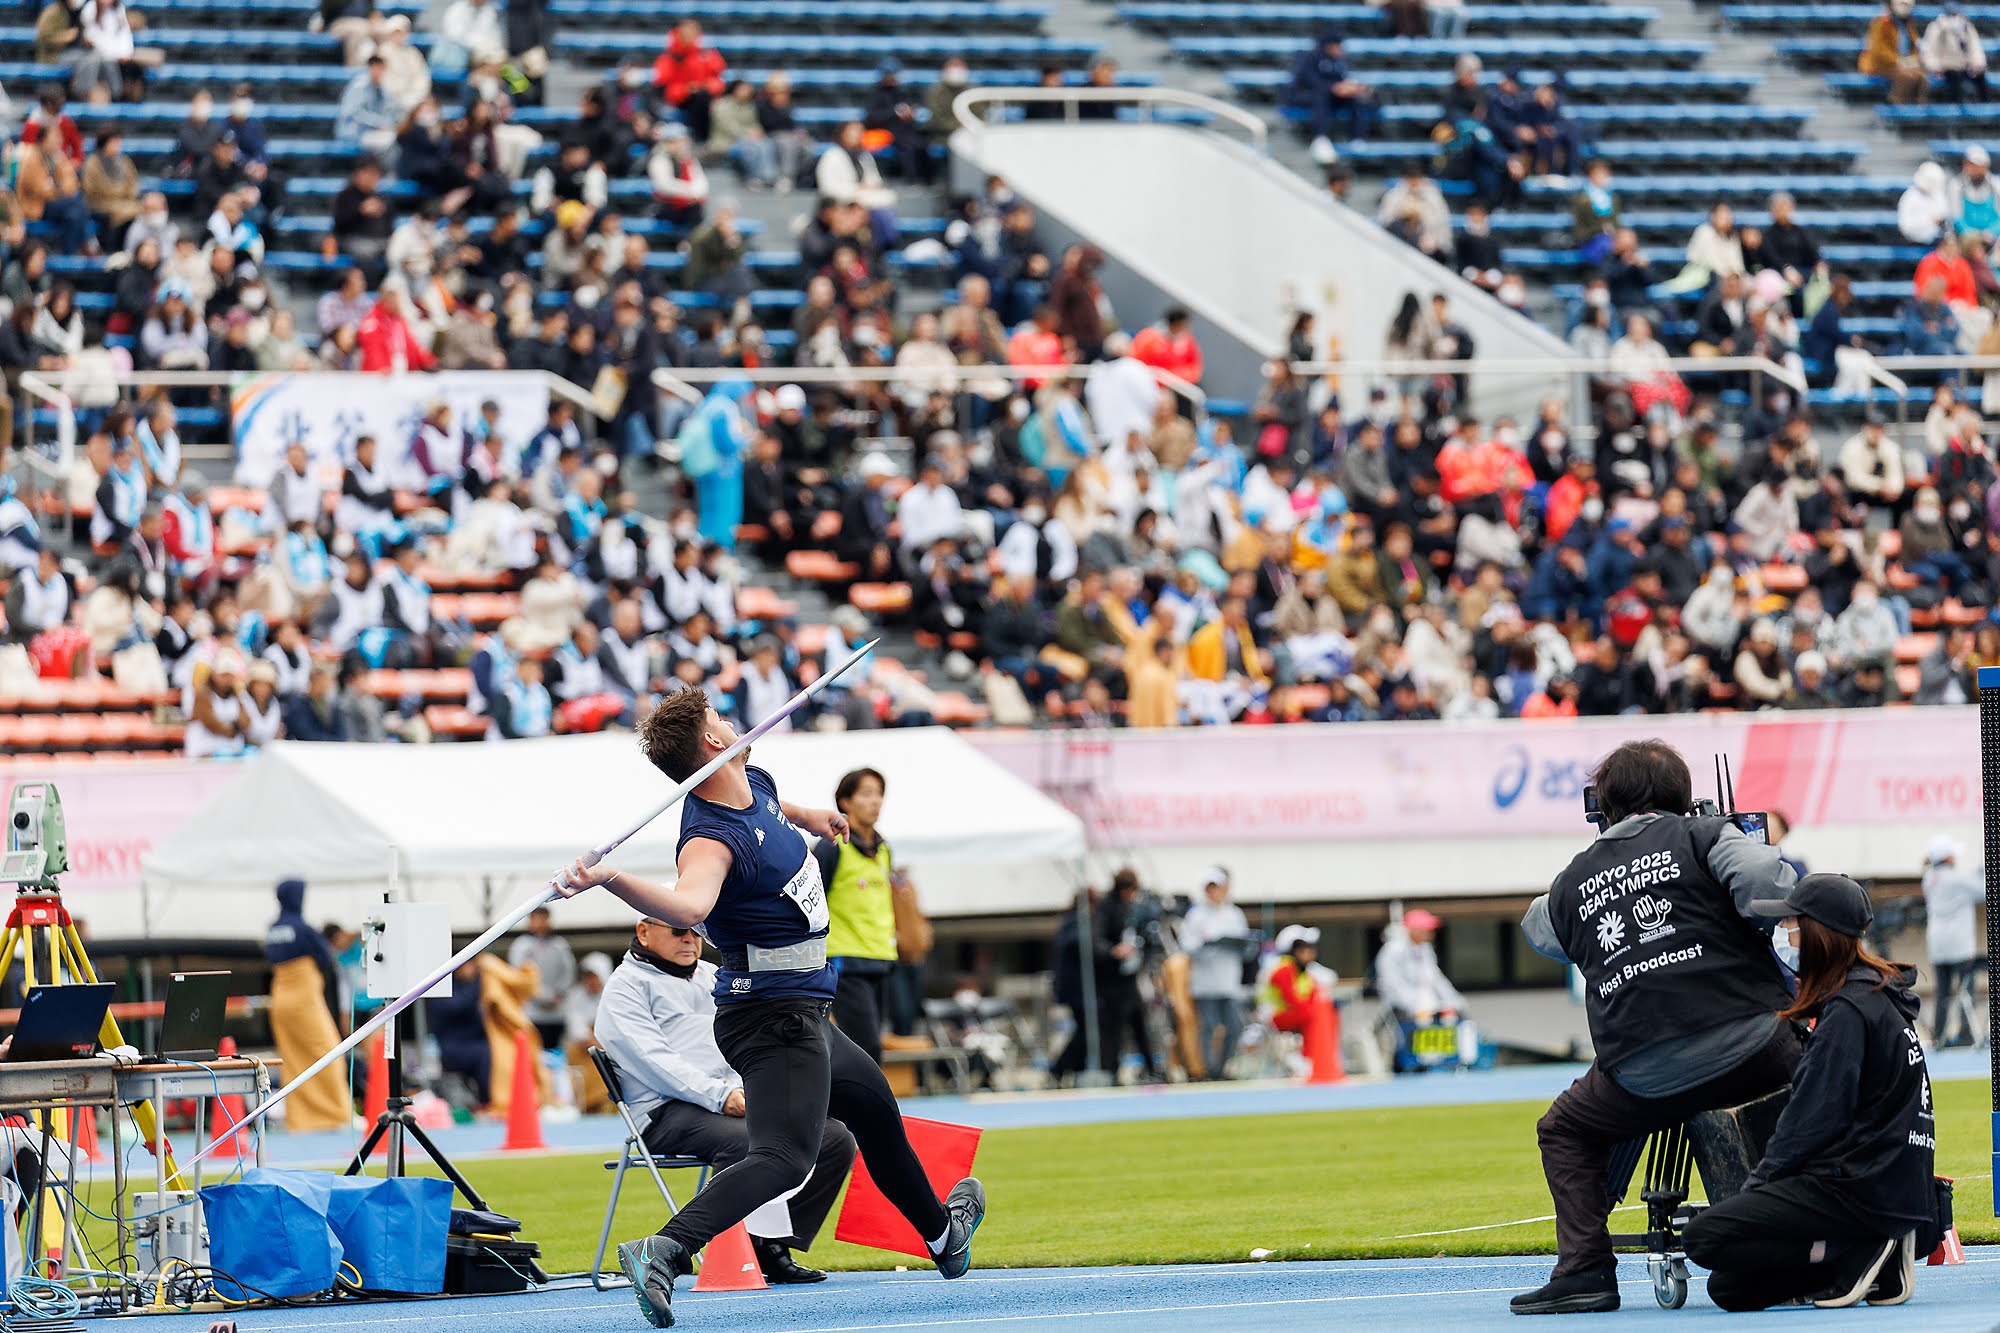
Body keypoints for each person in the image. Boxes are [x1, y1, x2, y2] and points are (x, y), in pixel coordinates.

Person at [554, 689, 985, 1328]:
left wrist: (814, 817)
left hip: (805, 1007)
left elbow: (774, 809)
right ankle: (664, 1249)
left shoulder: (754, 780)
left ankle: (943, 1238)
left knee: (875, 1113)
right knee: (785, 1157)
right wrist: (609, 878)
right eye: (719, 719)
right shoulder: (709, 839)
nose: (732, 723)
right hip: (770, 1016)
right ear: (712, 743)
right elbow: (690, 905)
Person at [1512, 739, 1804, 1314]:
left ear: (1605, 804)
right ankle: (1836, 1234)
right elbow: (1774, 886)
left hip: (1643, 1076)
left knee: (1564, 1128)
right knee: (1831, 1075)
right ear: (1681, 795)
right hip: (1754, 1050)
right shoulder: (1704, 836)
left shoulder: (1575, 877)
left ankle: (1585, 1271)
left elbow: (1539, 929)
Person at [1681, 873, 1935, 1311]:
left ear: (1818, 933)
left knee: (1703, 1237)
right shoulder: (1880, 999)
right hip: (1896, 1190)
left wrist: (1756, 1190)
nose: (1781, 934)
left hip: (1857, 1189)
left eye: (1790, 924)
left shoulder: (1847, 1012)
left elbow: (1809, 1121)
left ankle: (1860, 1245)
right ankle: (1865, 1257)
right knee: (1729, 1289)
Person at [594, 914, 856, 1285]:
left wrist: (755, 1089)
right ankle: (731, 1250)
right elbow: (652, 1061)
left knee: (835, 1138)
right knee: (751, 1142)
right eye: (678, 931)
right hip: (663, 1111)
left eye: (697, 932)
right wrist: (721, 1095)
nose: (690, 940)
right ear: (644, 932)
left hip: (732, 1097)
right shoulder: (625, 988)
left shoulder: (714, 976)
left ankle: (773, 1245)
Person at [811, 766, 898, 1065]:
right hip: (845, 961)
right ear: (845, 802)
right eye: (866, 794)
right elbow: (812, 902)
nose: (875, 801)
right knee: (866, 1048)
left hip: (881, 957)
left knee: (874, 1048)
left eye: (879, 794)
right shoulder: (832, 846)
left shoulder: (884, 849)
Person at [263, 878, 352, 1133]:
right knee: (329, 1053)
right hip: (304, 999)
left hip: (280, 998)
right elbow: (325, 957)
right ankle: (335, 1113)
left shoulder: (272, 929)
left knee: (293, 1060)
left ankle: (301, 1118)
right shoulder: (303, 928)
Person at [1374, 907, 1470, 1072]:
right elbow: (1391, 983)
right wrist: (1412, 1006)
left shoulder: (1425, 950)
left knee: (1456, 1019)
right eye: (1426, 929)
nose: (1430, 933)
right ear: (1414, 930)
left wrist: (1453, 1000)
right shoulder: (1393, 951)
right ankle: (1413, 1064)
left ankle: (1447, 1061)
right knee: (1412, 1034)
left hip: (1428, 1004)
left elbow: (1436, 979)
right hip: (1403, 1009)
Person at [1177, 867, 1252, 1080]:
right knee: (1208, 1028)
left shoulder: (1234, 914)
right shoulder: (1196, 915)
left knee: (1235, 1026)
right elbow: (1186, 946)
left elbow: (1246, 948)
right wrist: (1208, 943)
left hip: (1229, 983)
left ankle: (1222, 1068)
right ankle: (1208, 1070)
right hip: (1205, 984)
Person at [1920, 834, 1982, 1047]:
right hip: (1959, 946)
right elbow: (1983, 889)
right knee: (1966, 991)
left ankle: (1940, 1035)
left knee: (1943, 993)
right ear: (1947, 857)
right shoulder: (1956, 879)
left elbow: (1967, 881)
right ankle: (1965, 1034)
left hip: (1938, 946)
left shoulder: (1929, 878)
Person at [507, 905, 576, 1053]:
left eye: (543, 919)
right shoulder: (521, 946)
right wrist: (539, 996)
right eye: (536, 919)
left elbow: (568, 972)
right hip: (530, 1013)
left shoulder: (559, 945)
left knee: (555, 1054)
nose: (540, 923)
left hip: (556, 1013)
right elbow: (518, 975)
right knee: (532, 1053)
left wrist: (558, 995)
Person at [1260, 924, 1326, 1035]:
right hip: (1272, 1019)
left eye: (1311, 948)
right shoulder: (1283, 970)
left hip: (1289, 1016)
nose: (1309, 953)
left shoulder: (1303, 972)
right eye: (1302, 948)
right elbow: (1291, 1000)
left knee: (1319, 1012)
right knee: (1310, 1014)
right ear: (1292, 950)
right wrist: (1311, 1010)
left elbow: (1311, 997)